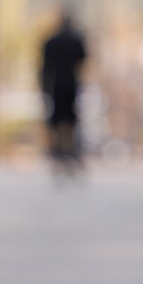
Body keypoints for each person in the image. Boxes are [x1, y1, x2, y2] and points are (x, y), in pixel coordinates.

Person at [38, 9, 89, 177]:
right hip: (71, 86)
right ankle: (69, 152)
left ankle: (61, 152)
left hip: (56, 87)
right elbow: (84, 61)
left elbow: (44, 68)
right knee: (70, 121)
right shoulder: (75, 41)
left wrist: (44, 88)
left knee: (58, 121)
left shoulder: (52, 42)